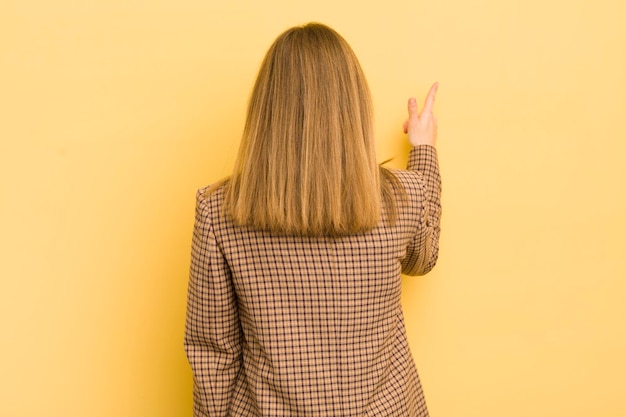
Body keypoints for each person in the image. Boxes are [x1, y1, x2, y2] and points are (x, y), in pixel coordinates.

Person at [184, 22, 441, 417]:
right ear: (354, 104)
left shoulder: (219, 212)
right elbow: (422, 258)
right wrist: (423, 150)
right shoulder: (399, 199)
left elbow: (213, 355)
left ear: (267, 109)